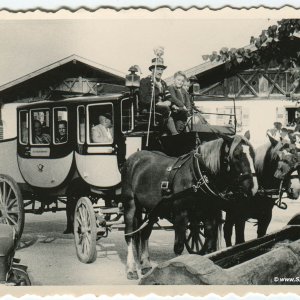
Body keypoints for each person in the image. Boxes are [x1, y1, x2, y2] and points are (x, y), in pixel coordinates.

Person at [139, 57, 178, 135]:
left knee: (179, 111)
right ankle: (172, 134)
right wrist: (158, 103)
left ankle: (178, 133)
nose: (160, 72)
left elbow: (169, 96)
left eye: (161, 69)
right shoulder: (145, 81)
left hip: (162, 107)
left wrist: (170, 102)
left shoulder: (163, 83)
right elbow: (145, 99)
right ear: (152, 70)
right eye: (158, 69)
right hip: (149, 109)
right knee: (165, 109)